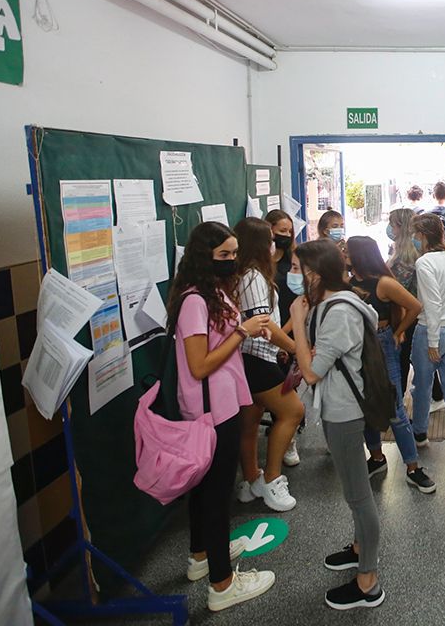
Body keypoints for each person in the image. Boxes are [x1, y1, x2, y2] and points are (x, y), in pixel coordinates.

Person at [167, 222, 275, 611]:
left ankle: (201, 556)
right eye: (223, 255)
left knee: (207, 489)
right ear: (204, 257)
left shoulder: (212, 293)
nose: (231, 261)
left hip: (224, 403)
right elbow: (199, 365)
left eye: (234, 253)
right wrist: (242, 333)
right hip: (211, 409)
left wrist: (248, 330)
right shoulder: (195, 300)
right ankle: (222, 584)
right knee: (215, 495)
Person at [290, 239, 386, 610]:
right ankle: (361, 548)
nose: (294, 276)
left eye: (299, 270)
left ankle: (368, 582)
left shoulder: (339, 311)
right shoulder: (328, 305)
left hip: (345, 413)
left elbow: (312, 371)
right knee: (352, 491)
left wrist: (298, 323)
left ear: (316, 274)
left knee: (359, 497)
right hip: (336, 408)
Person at [345, 236, 436, 493]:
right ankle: (376, 457)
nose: (345, 256)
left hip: (382, 345)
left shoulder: (383, 283)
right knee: (365, 405)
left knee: (394, 407)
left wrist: (398, 332)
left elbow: (414, 306)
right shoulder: (348, 282)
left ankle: (412, 467)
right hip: (355, 347)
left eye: (349, 253)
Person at [231, 218, 305, 512]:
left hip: (253, 355)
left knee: (249, 423)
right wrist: (294, 348)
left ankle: (251, 481)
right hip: (255, 357)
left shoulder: (247, 275)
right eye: (273, 238)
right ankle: (272, 479)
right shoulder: (252, 277)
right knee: (293, 411)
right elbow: (264, 324)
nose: (277, 243)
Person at [409, 213, 445, 466]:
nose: (413, 238)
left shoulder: (424, 263)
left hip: (432, 332)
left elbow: (431, 304)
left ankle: (420, 433)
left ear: (423, 236)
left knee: (422, 387)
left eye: (415, 234)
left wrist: (433, 342)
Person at [265, 208, 302, 465]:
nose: (286, 236)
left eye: (289, 231)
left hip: (288, 332)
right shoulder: (260, 265)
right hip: (263, 338)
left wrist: (285, 334)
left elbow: (301, 301)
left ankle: (289, 441)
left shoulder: (294, 263)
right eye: (281, 232)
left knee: (289, 388)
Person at [386, 207, 420, 395]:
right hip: (408, 316)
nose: (390, 229)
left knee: (401, 362)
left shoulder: (405, 259)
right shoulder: (405, 252)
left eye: (392, 225)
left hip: (405, 317)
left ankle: (398, 407)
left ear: (400, 227)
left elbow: (397, 290)